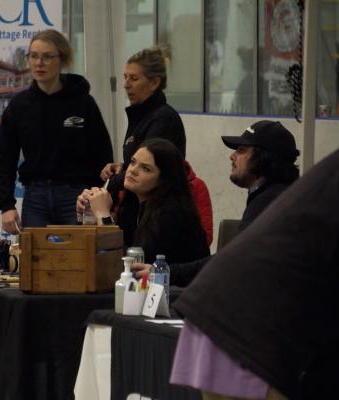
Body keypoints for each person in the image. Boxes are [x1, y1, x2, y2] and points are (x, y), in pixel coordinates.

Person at [169, 148, 339, 400]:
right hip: (243, 334)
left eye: (242, 150)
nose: (232, 156)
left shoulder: (285, 196)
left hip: (224, 317)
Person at [131, 120, 300, 286]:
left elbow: (234, 259)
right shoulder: (274, 195)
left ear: (263, 157)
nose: (232, 156)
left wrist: (167, 273)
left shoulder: (270, 202)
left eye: (241, 150)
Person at [0, 29, 113, 234]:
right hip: (36, 198)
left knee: (77, 253)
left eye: (47, 56)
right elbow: (4, 159)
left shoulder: (83, 103)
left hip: (77, 197)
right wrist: (6, 205)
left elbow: (102, 154)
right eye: (34, 56)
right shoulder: (19, 106)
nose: (39, 63)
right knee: (36, 254)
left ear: (62, 60)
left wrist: (96, 199)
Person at [100, 46, 187, 246]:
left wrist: (107, 187)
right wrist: (122, 166)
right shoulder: (140, 116)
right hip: (135, 209)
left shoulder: (163, 119)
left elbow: (149, 166)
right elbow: (140, 161)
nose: (126, 85)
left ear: (154, 83)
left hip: (156, 214)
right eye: (125, 77)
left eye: (134, 78)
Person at [79, 138, 209, 264]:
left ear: (163, 180)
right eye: (133, 162)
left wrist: (103, 215)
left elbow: (133, 264)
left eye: (146, 169)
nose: (132, 170)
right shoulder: (137, 203)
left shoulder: (171, 211)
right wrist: (90, 214)